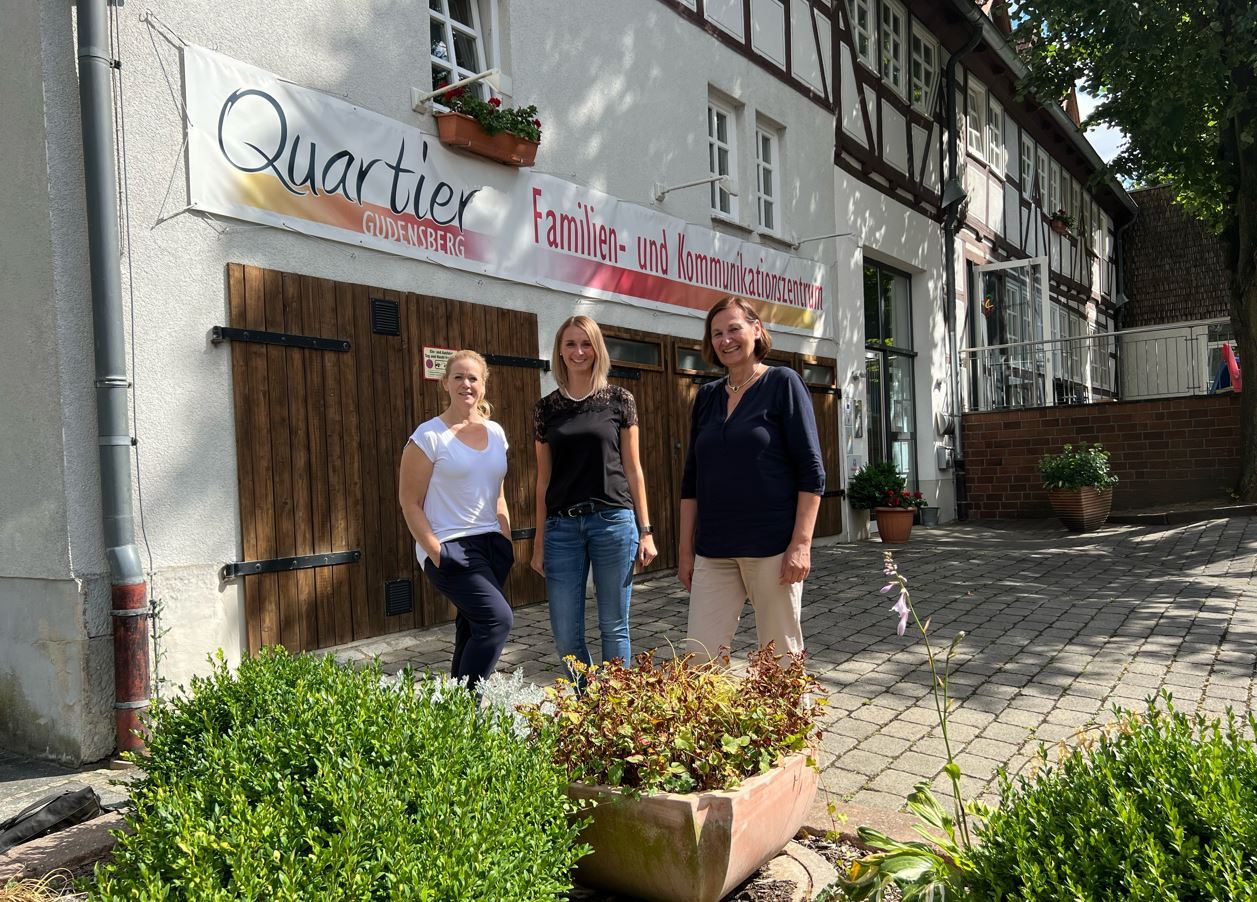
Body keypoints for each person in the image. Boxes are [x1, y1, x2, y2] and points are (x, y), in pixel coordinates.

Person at [679, 297, 825, 660]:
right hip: (714, 550)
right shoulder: (708, 397)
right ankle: (714, 720)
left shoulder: (782, 383)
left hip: (771, 548)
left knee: (781, 659)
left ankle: (793, 718)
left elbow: (812, 470)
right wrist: (685, 551)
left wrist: (801, 545)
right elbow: (691, 479)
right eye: (716, 333)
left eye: (734, 329)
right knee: (700, 658)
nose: (725, 339)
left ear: (756, 330)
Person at [531, 315, 657, 674]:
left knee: (614, 627)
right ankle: (589, 705)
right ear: (559, 350)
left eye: (586, 343)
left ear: (597, 348)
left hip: (613, 523)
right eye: (570, 343)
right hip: (562, 529)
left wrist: (645, 531)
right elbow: (543, 480)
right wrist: (539, 541)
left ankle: (612, 712)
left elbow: (634, 469)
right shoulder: (546, 409)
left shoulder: (619, 400)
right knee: (566, 635)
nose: (579, 351)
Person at [398, 350, 514, 690]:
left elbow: (498, 494)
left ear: (483, 385)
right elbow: (409, 503)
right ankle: (467, 705)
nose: (466, 384)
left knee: (473, 627)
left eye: (473, 378)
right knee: (496, 620)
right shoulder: (428, 436)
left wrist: (505, 538)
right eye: (459, 377)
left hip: (492, 546)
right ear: (445, 383)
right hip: (451, 545)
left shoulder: (496, 433)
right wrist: (436, 551)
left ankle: (458, 716)